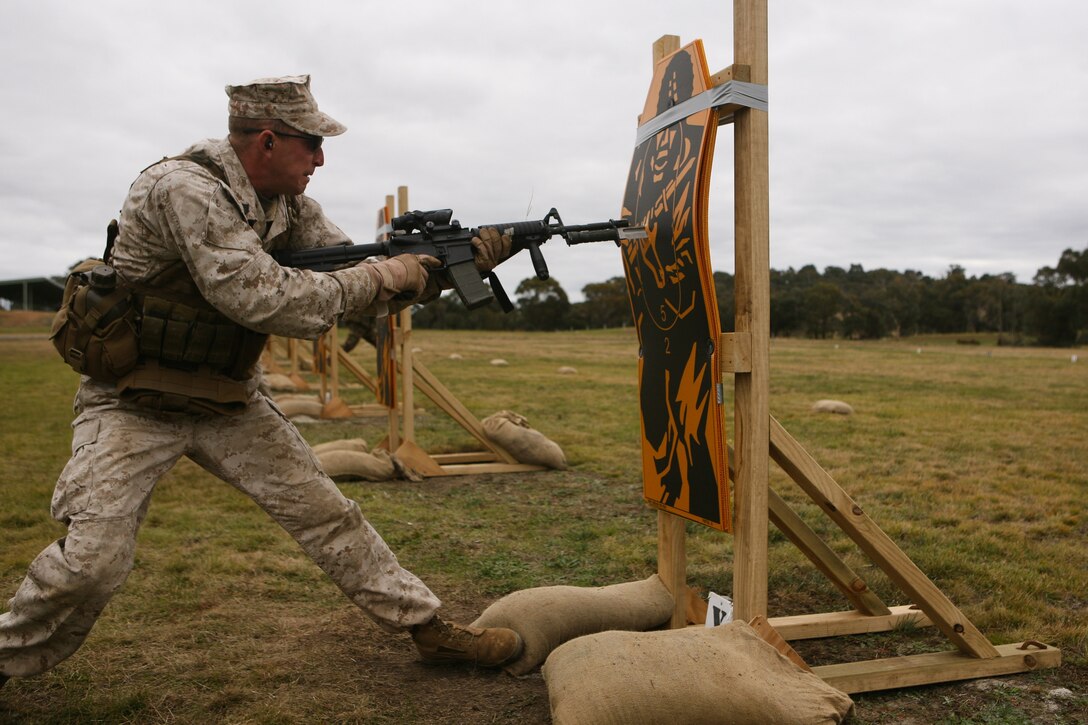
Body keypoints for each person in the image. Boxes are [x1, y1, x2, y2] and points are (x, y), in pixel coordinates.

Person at [0, 74, 518, 691]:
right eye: (312, 145)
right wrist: (389, 275)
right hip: (132, 401)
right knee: (91, 563)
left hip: (224, 396)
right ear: (268, 141)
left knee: (328, 514)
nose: (321, 159)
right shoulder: (183, 188)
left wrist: (442, 267)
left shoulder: (288, 205)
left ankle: (428, 628)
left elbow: (355, 279)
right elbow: (267, 300)